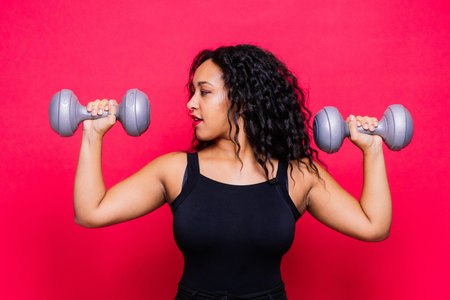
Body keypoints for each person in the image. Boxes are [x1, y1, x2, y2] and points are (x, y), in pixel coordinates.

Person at [74, 44, 391, 300]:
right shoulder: (175, 170)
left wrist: (372, 149)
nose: (190, 104)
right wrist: (92, 133)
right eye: (192, 92)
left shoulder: (298, 176)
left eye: (204, 92)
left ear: (242, 100)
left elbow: (373, 226)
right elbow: (91, 212)